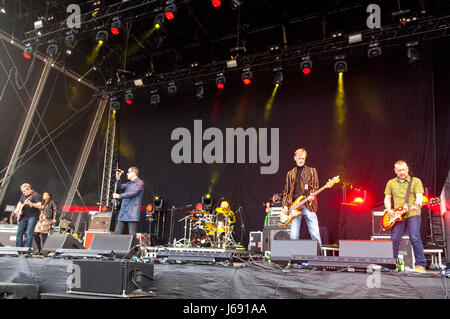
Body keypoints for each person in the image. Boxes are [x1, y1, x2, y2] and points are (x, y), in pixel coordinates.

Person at [384, 160, 427, 273]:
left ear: (407, 169)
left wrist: (417, 204)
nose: (402, 172)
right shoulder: (391, 183)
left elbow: (419, 197)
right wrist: (389, 210)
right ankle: (391, 264)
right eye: (399, 170)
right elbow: (387, 198)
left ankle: (420, 265)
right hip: (398, 215)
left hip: (413, 213)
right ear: (395, 171)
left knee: (415, 237)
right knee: (394, 239)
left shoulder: (416, 181)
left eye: (404, 169)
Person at [281, 148, 322, 249]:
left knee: (315, 234)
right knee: (293, 235)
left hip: (308, 205)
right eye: (299, 158)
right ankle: (293, 259)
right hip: (294, 207)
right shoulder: (290, 173)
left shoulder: (311, 171)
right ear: (295, 158)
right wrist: (285, 205)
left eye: (303, 159)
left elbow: (315, 187)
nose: (301, 160)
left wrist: (312, 195)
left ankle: (319, 259)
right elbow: (286, 191)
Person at [112, 166, 144, 236]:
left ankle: (134, 247)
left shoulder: (140, 183)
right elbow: (119, 188)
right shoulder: (128, 183)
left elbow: (132, 193)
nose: (127, 174)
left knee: (131, 236)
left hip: (132, 213)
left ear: (133, 173)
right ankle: (115, 247)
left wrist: (119, 196)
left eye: (128, 172)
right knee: (117, 233)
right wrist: (118, 177)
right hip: (123, 211)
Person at [14, 183, 42, 248]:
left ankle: (27, 249)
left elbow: (39, 205)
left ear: (29, 189)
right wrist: (17, 210)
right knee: (19, 232)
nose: (23, 193)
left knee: (29, 233)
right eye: (22, 191)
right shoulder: (23, 195)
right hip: (23, 216)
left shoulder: (36, 195)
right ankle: (18, 249)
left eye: (24, 191)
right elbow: (20, 202)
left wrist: (31, 203)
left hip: (32, 216)